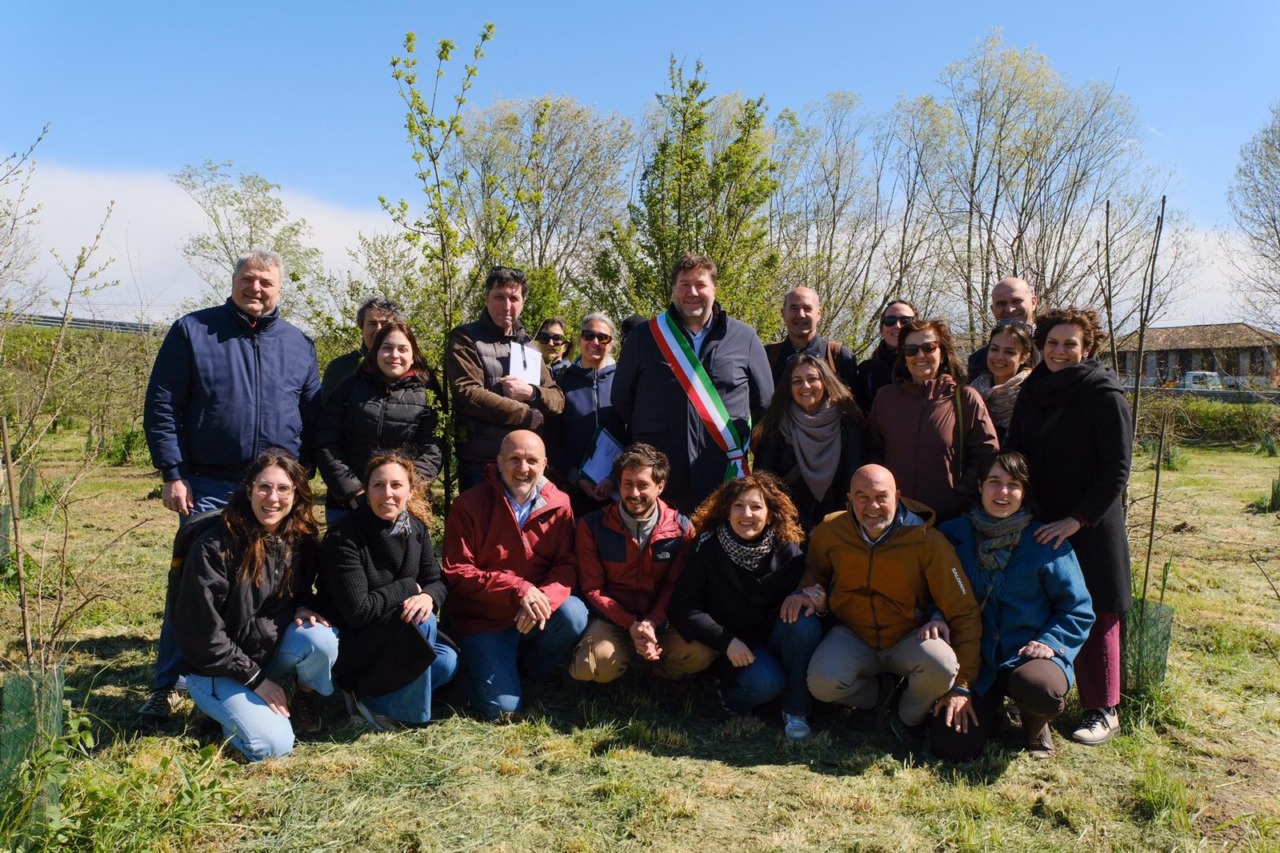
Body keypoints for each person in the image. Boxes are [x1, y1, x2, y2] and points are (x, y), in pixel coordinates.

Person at [141, 250, 322, 722]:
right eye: (249, 279)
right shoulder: (193, 331)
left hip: (277, 493)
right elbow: (163, 403)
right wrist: (173, 472)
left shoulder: (300, 344)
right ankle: (168, 684)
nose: (256, 289)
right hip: (210, 484)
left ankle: (250, 678)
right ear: (234, 281)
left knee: (271, 586)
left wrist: (301, 479)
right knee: (192, 588)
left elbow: (313, 417)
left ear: (280, 289)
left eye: (266, 282)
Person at [1007, 307, 1132, 746]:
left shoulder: (1104, 394)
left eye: (1070, 344)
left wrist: (1076, 519)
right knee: (1044, 603)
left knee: (1098, 610)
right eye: (1053, 343)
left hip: (1090, 522)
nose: (1059, 352)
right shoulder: (1034, 389)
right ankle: (1039, 696)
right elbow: (1017, 451)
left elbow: (1116, 470)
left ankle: (1103, 709)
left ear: (1088, 348)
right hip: (1041, 518)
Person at [173, 450, 338, 761]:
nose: (272, 498)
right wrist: (256, 680)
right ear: (248, 490)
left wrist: (305, 605)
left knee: (322, 639)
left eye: (283, 489)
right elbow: (202, 635)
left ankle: (303, 698)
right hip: (214, 668)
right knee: (273, 747)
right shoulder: (214, 545)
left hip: (265, 654)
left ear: (297, 494)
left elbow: (302, 590)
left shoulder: (301, 541)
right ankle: (218, 713)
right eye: (264, 487)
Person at [929, 452, 1095, 760]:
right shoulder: (951, 536)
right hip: (974, 663)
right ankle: (989, 713)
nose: (1002, 493)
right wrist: (935, 616)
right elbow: (931, 593)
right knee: (949, 746)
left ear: (1023, 492)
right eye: (994, 482)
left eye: (1013, 485)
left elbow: (1078, 608)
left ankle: (1034, 723)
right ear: (980, 486)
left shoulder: (1045, 541)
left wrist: (1051, 642)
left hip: (1027, 658)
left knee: (1040, 689)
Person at [801, 464, 981, 747]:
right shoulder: (830, 532)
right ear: (849, 499)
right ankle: (877, 696)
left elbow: (964, 609)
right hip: (853, 634)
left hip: (909, 635)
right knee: (821, 684)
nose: (873, 506)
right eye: (862, 497)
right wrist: (808, 592)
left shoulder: (927, 540)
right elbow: (814, 570)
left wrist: (964, 683)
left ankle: (907, 717)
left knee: (943, 666)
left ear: (898, 495)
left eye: (881, 496)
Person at [442, 430, 588, 720]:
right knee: (502, 712)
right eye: (514, 459)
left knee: (574, 614)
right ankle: (488, 667)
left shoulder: (560, 504)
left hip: (532, 614)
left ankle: (530, 670)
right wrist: (519, 590)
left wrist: (542, 599)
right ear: (498, 462)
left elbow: (567, 565)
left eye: (531, 460)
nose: (523, 469)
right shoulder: (468, 505)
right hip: (482, 621)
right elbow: (457, 571)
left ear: (545, 464)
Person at [665, 472, 823, 740]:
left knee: (804, 623)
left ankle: (795, 711)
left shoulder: (789, 551)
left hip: (772, 638)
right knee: (766, 682)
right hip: (733, 646)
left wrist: (812, 598)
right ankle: (731, 699)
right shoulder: (707, 548)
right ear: (727, 511)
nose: (746, 513)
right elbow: (683, 607)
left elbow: (809, 588)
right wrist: (726, 641)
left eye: (756, 506)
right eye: (738, 505)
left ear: (770, 514)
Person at [613, 253, 773, 514]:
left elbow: (765, 403)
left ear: (714, 289)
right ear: (674, 289)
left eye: (700, 284)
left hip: (723, 471)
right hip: (659, 471)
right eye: (684, 285)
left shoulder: (744, 337)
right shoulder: (644, 337)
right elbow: (621, 399)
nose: (692, 292)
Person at [318, 452, 458, 730]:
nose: (388, 494)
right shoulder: (345, 536)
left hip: (397, 630)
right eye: (378, 485)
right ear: (366, 490)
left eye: (396, 485)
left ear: (410, 491)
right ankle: (390, 711)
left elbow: (437, 580)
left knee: (447, 661)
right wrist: (409, 587)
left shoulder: (415, 528)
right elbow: (358, 612)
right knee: (423, 620)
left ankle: (372, 694)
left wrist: (428, 596)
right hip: (356, 638)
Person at [569, 444, 695, 684]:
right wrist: (630, 624)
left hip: (662, 620)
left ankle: (658, 675)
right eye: (628, 484)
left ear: (660, 486)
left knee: (698, 652)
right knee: (591, 665)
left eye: (643, 485)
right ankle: (622, 663)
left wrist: (651, 622)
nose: (634, 493)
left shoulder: (682, 529)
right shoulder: (592, 526)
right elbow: (592, 588)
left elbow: (674, 586)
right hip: (612, 619)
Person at [866, 319, 999, 522]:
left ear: (943, 352)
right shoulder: (885, 398)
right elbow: (873, 451)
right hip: (895, 520)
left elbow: (986, 456)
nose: (920, 355)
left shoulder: (965, 398)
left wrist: (960, 494)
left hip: (949, 521)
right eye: (911, 349)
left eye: (928, 347)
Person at [446, 266, 565, 492]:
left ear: (523, 301)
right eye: (499, 297)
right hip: (483, 463)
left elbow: (558, 399)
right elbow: (467, 393)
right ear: (486, 298)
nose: (507, 306)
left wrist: (532, 393)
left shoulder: (529, 345)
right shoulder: (465, 338)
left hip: (526, 464)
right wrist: (526, 415)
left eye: (514, 298)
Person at [316, 321, 443, 525]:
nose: (394, 355)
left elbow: (434, 449)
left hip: (404, 504)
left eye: (402, 349)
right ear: (375, 352)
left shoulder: (427, 394)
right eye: (387, 348)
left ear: (413, 356)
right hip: (348, 505)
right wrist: (353, 491)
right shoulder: (349, 387)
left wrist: (404, 491)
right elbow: (326, 441)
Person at [752, 354, 868, 532]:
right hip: (790, 526)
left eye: (812, 379)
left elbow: (855, 478)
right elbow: (764, 482)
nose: (805, 386)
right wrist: (797, 523)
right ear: (788, 387)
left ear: (825, 382)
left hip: (840, 525)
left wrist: (837, 523)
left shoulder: (848, 422)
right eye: (797, 381)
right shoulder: (775, 425)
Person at [546, 313, 628, 518]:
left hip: (619, 491)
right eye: (588, 335)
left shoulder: (625, 381)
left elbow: (635, 433)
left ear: (611, 344)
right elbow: (552, 440)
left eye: (603, 337)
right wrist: (577, 478)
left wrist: (615, 477)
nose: (595, 342)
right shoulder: (562, 383)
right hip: (572, 491)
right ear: (579, 339)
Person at [764, 287, 858, 391]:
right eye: (794, 308)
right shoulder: (767, 356)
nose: (800, 314)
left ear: (819, 313)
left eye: (807, 308)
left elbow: (853, 404)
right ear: (783, 313)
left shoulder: (838, 356)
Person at [321, 295, 402, 403]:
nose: (378, 330)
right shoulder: (339, 368)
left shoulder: (409, 368)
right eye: (372, 324)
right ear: (361, 328)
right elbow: (325, 414)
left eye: (385, 324)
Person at [970, 321, 1035, 446]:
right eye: (994, 349)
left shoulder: (1032, 395)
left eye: (1009, 352)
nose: (999, 357)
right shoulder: (972, 392)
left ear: (1023, 357)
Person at [968, 277, 1039, 381]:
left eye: (1017, 301)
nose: (1010, 309)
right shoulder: (978, 360)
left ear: (1033, 303)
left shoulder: (1052, 350)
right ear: (993, 310)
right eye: (1001, 304)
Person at [852, 299, 916, 414]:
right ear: (881, 329)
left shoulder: (928, 366)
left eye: (905, 321)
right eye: (890, 320)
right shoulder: (866, 371)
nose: (897, 326)